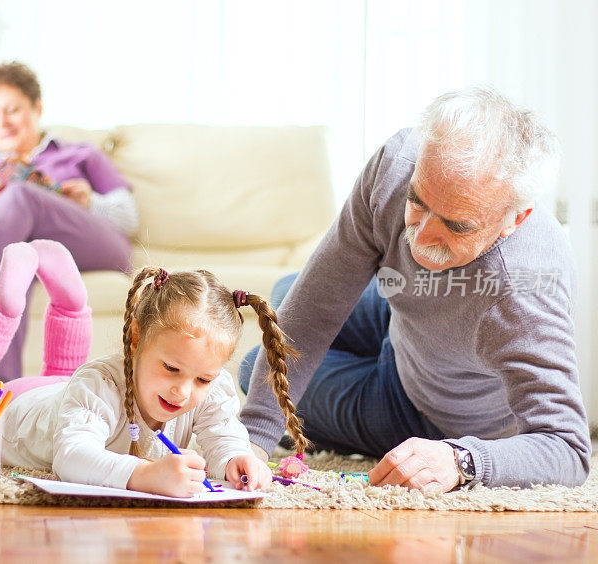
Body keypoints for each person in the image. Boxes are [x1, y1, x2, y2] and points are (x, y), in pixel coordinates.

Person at [239, 86, 591, 492]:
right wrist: (252, 442)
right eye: (418, 202)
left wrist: (462, 460)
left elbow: (568, 449)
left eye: (457, 226)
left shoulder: (524, 295)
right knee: (290, 293)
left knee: (254, 368)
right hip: (401, 318)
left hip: (432, 411)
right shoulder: (396, 166)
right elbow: (317, 303)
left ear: (514, 220)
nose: (421, 237)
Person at [0, 240, 308, 497]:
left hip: (66, 394)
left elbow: (224, 433)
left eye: (202, 378)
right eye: (171, 368)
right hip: (21, 406)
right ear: (137, 338)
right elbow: (71, 456)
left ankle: (70, 299)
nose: (183, 391)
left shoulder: (213, 386)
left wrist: (236, 458)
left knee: (71, 379)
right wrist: (142, 476)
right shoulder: (96, 386)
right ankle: (4, 306)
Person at [0, 61, 136, 384]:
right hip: (21, 254)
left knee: (21, 196)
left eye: (12, 109)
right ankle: (2, 406)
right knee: (12, 269)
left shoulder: (80, 155)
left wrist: (91, 203)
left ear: (37, 107)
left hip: (91, 245)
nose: (2, 122)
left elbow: (129, 217)